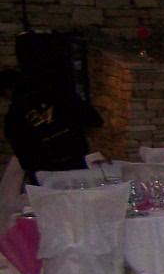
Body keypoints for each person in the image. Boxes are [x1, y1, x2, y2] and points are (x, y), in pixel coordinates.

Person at [2, 43, 101, 179]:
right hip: (77, 160)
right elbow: (95, 120)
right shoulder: (61, 93)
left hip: (46, 172)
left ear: (8, 91)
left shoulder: (14, 117)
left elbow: (25, 158)